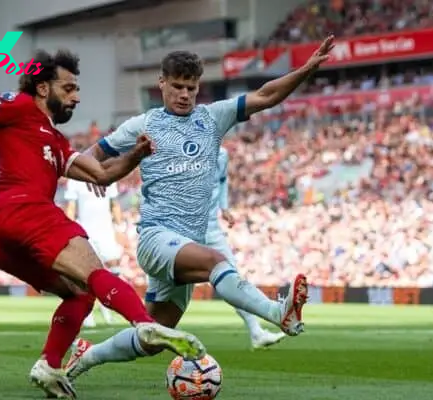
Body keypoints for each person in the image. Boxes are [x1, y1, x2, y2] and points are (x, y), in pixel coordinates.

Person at [0, 49, 206, 400]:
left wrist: (136, 155)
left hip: (0, 238)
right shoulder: (18, 106)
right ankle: (146, 326)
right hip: (25, 212)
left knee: (80, 294)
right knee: (94, 270)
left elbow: (104, 174)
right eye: (69, 88)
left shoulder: (56, 141)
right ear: (44, 88)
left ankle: (49, 364)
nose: (76, 96)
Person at [65, 36, 335, 379]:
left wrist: (306, 70)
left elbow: (267, 95)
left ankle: (85, 356)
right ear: (162, 83)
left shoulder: (213, 117)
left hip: (186, 243)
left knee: (153, 336)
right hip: (156, 238)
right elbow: (94, 152)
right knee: (216, 261)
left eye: (191, 88)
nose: (184, 94)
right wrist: (90, 170)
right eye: (177, 86)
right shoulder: (142, 124)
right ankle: (278, 312)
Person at [205, 146, 286, 348]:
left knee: (232, 277)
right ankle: (147, 330)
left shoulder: (221, 154)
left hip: (211, 228)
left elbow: (222, 181)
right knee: (172, 289)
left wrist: (223, 208)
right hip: (184, 227)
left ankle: (257, 331)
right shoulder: (185, 151)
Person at [64, 179, 123, 327]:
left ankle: (107, 308)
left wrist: (120, 227)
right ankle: (88, 314)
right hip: (86, 231)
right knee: (88, 274)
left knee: (114, 270)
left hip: (106, 231)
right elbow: (71, 207)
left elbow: (114, 204)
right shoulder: (75, 179)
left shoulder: (108, 176)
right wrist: (69, 230)